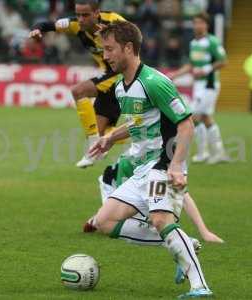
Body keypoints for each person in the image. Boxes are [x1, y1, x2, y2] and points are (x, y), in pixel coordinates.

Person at [89, 20, 213, 298]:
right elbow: (137, 123)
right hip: (142, 167)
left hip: (163, 163)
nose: (105, 56)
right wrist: (111, 137)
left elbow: (186, 124)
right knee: (103, 221)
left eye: (109, 49)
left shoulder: (155, 82)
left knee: (160, 219)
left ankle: (200, 287)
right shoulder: (122, 87)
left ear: (128, 48)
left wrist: (177, 165)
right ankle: (183, 244)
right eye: (103, 50)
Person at [29, 0, 126, 168]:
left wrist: (114, 38)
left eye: (85, 15)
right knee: (101, 132)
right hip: (107, 76)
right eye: (78, 14)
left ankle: (92, 147)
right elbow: (46, 25)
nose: (81, 19)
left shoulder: (114, 22)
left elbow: (136, 40)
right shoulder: (74, 25)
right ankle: (148, 131)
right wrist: (37, 30)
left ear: (97, 13)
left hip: (122, 74)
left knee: (78, 91)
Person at [84, 150, 224, 244]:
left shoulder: (165, 159)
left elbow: (184, 196)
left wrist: (204, 232)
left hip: (141, 184)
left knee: (157, 218)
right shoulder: (132, 162)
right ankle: (96, 219)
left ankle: (178, 241)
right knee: (113, 222)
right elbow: (124, 196)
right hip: (112, 184)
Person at [170, 12, 228, 164]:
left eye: (200, 23)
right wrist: (175, 75)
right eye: (195, 23)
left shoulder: (212, 42)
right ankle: (208, 153)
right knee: (205, 118)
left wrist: (206, 69)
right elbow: (191, 65)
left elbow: (223, 61)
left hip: (209, 84)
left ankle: (211, 152)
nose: (197, 25)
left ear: (206, 25)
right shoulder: (193, 43)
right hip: (198, 85)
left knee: (195, 116)